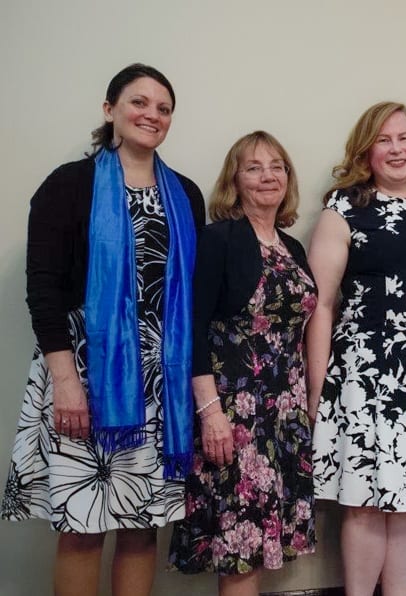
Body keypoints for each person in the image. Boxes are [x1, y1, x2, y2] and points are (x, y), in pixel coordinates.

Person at [0, 63, 204, 596]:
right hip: (86, 378)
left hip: (159, 384)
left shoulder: (185, 194)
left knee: (141, 527)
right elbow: (42, 291)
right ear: (109, 109)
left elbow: (190, 300)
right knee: (84, 527)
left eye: (163, 109)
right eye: (139, 103)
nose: (151, 115)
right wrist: (66, 382)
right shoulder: (69, 185)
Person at [307, 101, 406, 596]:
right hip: (366, 377)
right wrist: (317, 389)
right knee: (365, 502)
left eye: (405, 138)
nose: (397, 149)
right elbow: (322, 306)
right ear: (366, 151)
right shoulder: (345, 210)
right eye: (384, 140)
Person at [168, 131, 317, 595]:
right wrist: (209, 413)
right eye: (253, 167)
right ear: (235, 179)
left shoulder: (292, 247)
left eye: (277, 165)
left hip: (284, 417)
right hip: (235, 415)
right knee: (238, 550)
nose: (267, 175)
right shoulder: (218, 239)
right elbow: (191, 329)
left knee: (261, 545)